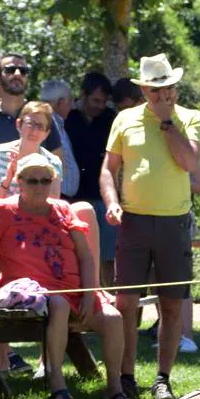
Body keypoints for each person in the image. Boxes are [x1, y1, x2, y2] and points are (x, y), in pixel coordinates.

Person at [0, 154, 126, 399]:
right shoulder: (4, 210)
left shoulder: (63, 209)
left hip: (73, 291)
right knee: (58, 304)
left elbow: (86, 258)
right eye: (32, 181)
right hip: (27, 294)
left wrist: (90, 293)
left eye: (46, 180)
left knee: (113, 318)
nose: (39, 186)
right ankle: (57, 385)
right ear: (19, 182)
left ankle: (114, 388)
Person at [101, 54, 200, 399]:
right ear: (144, 89)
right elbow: (107, 169)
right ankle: (126, 375)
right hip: (133, 221)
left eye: (169, 88)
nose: (165, 95)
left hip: (175, 222)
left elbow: (189, 163)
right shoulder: (124, 119)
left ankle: (163, 378)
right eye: (157, 89)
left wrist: (167, 123)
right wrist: (112, 200)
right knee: (125, 302)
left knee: (172, 304)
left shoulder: (190, 118)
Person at [0, 53, 62, 214]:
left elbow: (56, 167)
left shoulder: (42, 117)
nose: (17, 74)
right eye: (10, 70)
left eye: (23, 71)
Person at [66, 72, 118, 284]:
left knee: (108, 256)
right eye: (96, 100)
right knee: (78, 255)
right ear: (83, 95)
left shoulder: (109, 118)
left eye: (104, 101)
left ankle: (110, 298)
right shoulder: (68, 117)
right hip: (73, 198)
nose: (99, 106)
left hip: (102, 197)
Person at [38, 79, 82, 199]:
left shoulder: (58, 124)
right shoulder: (45, 125)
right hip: (54, 196)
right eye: (69, 101)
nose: (72, 106)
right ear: (60, 102)